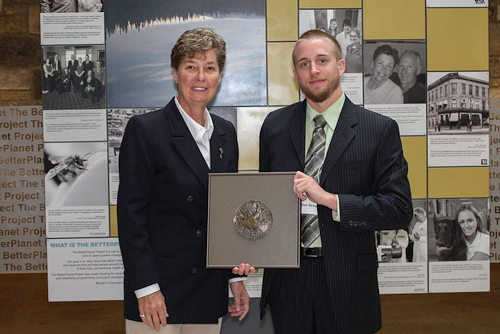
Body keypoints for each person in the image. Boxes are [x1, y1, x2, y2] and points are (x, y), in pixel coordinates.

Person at [258, 29, 413, 333]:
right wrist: (249, 248)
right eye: (304, 64)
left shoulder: (378, 129)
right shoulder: (274, 127)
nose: (313, 70)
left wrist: (330, 200)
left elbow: (399, 208)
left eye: (321, 60)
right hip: (288, 282)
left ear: (341, 66)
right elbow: (268, 204)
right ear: (294, 73)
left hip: (349, 282)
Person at [117, 27, 254, 334]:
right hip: (158, 292)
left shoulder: (224, 133)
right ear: (175, 74)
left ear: (219, 76)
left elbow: (226, 213)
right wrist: (145, 288)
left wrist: (235, 279)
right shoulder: (146, 130)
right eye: (191, 67)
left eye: (210, 68)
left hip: (207, 288)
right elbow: (130, 218)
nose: (200, 77)